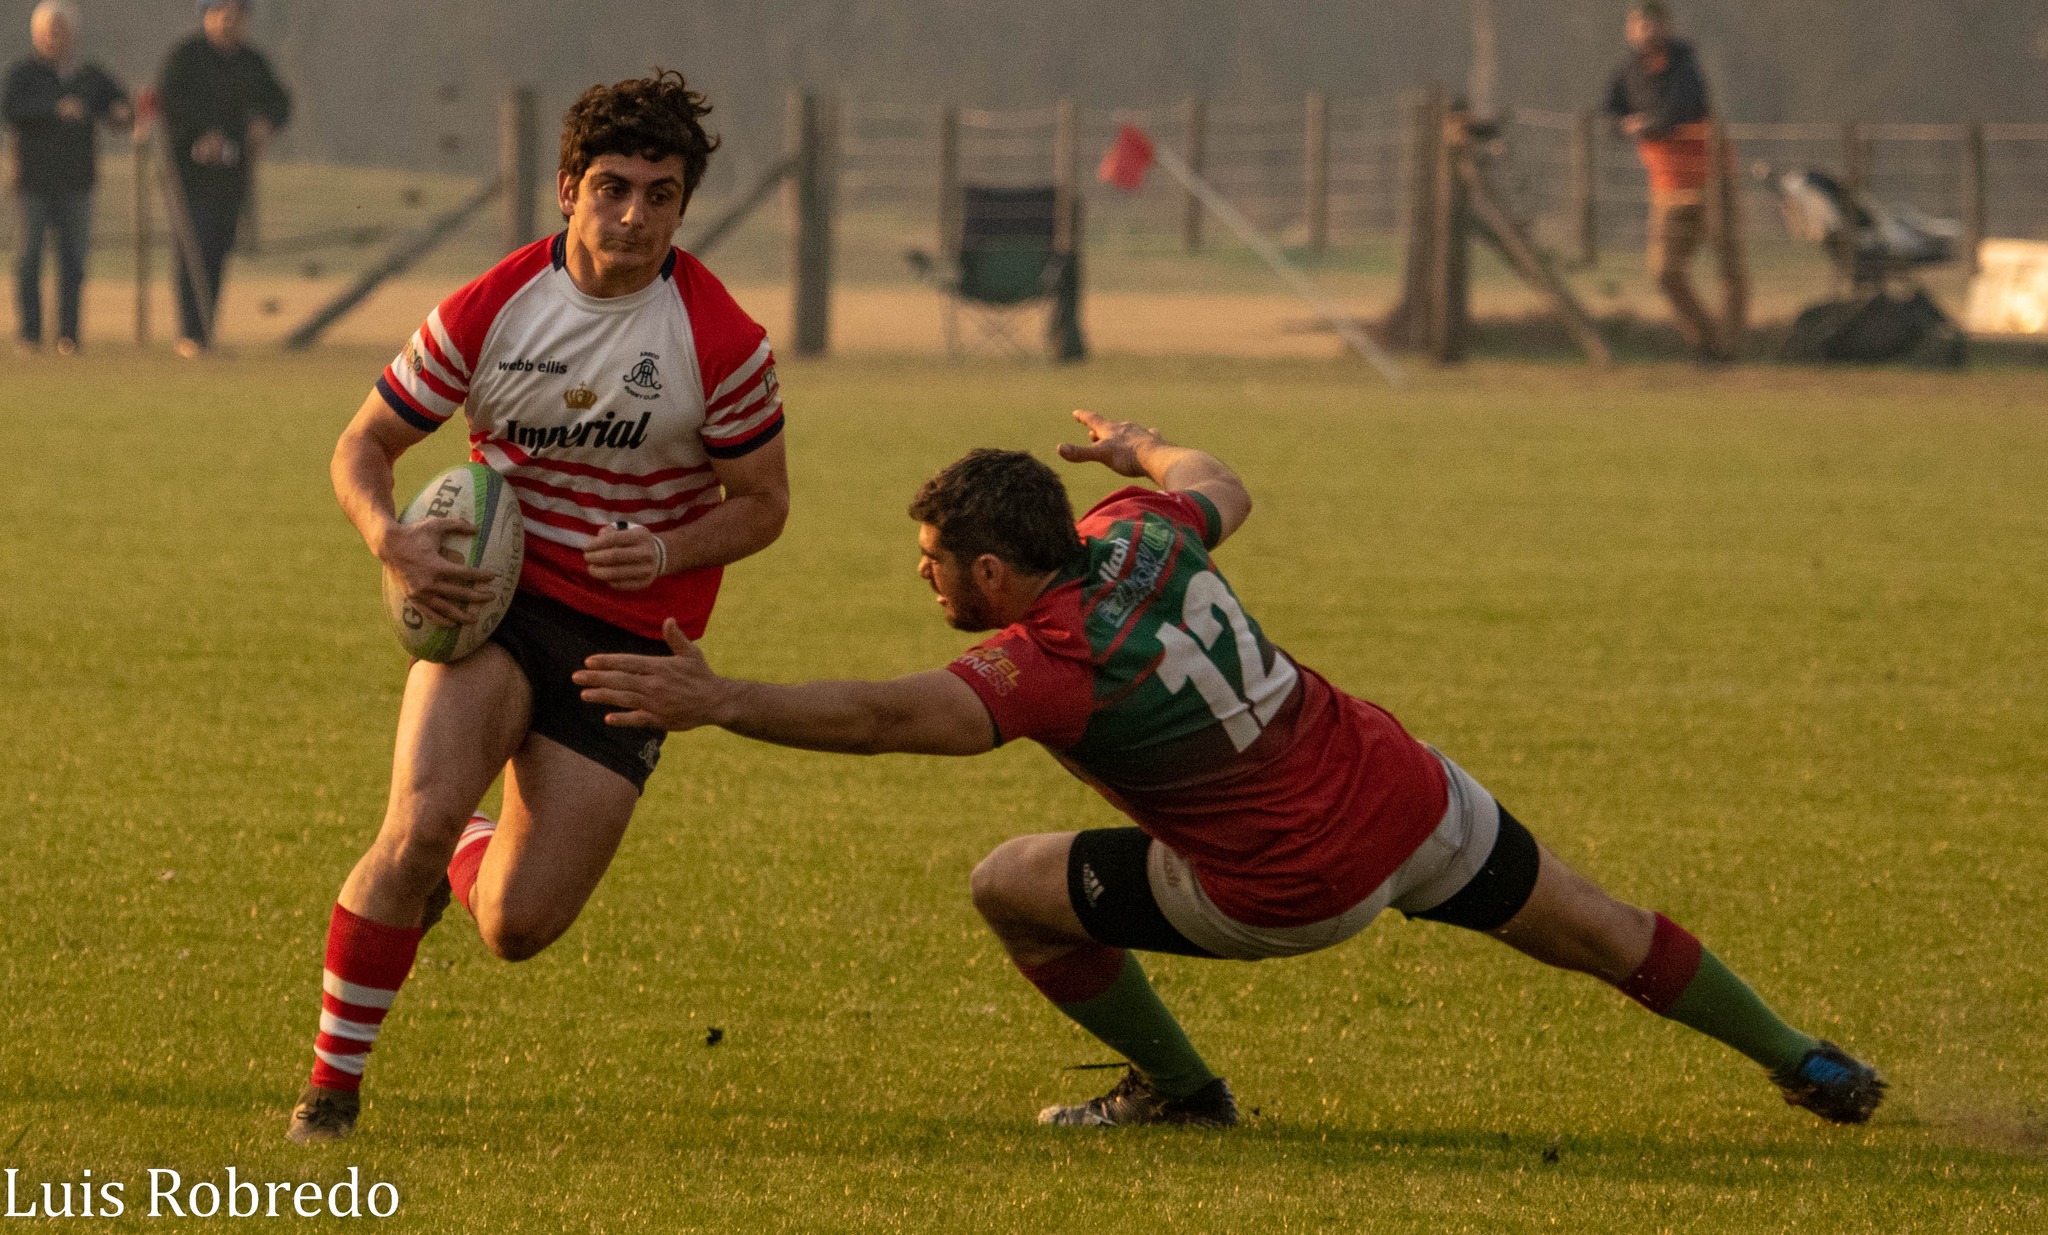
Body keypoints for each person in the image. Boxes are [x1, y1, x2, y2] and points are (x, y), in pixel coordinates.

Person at [571, 410, 1885, 1131]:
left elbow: (881, 716)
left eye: (928, 560)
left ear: (989, 570)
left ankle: (1184, 1093)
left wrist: (719, 695)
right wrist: (1138, 441)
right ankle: (1803, 1054)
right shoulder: (1137, 531)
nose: (917, 578)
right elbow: (1219, 476)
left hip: (1289, 885)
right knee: (1596, 924)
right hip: (1405, 792)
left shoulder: (1045, 661)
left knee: (1009, 882)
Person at [287, 70, 790, 1145]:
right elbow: (362, 444)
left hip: (629, 638)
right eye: (612, 187)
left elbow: (762, 507)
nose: (634, 215)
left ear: (683, 207)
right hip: (492, 601)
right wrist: (389, 537)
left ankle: (464, 849)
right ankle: (327, 1098)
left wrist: (663, 545)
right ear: (567, 187)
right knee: (408, 824)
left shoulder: (722, 342)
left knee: (515, 925)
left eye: (661, 194)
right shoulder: (494, 306)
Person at [156, 0, 289, 357]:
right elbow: (167, 105)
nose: (228, 21)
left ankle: (205, 332)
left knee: (217, 249)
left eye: (236, 14)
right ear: (207, 16)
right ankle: (189, 333)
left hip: (231, 176)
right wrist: (199, 137)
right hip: (187, 175)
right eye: (221, 13)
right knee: (192, 250)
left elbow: (280, 102)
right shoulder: (184, 58)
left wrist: (265, 124)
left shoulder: (252, 62)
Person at [1603, 2, 1729, 363]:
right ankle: (1707, 345)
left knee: (1729, 267)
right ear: (1630, 30)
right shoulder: (1627, 73)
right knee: (1664, 271)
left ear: (1666, 27)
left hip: (1711, 179)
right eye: (1638, 26)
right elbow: (1610, 112)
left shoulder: (1685, 65)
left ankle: (1730, 347)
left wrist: (1650, 125)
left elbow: (1683, 108)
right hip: (1666, 184)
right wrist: (1624, 124)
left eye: (1652, 25)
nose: (1645, 33)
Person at [4, 0, 130, 354]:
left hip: (77, 183)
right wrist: (53, 109)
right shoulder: (22, 75)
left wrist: (122, 111)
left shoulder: (89, 76)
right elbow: (10, 108)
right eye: (47, 33)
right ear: (36, 35)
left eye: (60, 31)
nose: (53, 39)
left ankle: (69, 336)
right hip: (33, 184)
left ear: (71, 35)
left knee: (74, 260)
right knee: (29, 259)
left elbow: (117, 104)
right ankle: (29, 334)